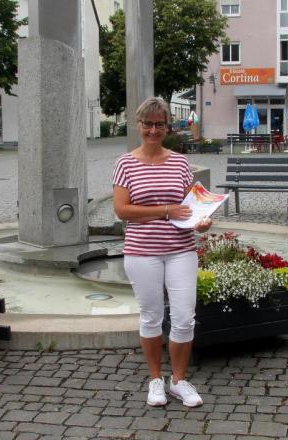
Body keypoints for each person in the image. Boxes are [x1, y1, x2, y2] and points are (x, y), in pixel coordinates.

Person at [112, 97, 212, 408]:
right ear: (139, 126)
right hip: (142, 253)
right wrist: (167, 211)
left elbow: (191, 206)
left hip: (181, 250)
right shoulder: (125, 163)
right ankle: (155, 379)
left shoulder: (180, 162)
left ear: (167, 127)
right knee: (152, 317)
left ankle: (178, 381)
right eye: (148, 124)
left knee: (184, 318)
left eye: (159, 124)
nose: (153, 130)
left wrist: (202, 221)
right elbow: (122, 210)